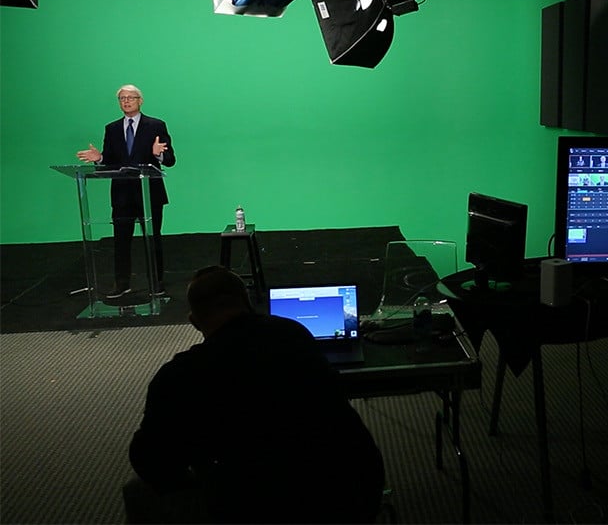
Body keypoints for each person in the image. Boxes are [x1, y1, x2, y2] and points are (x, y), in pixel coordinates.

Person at [123, 266, 385, 523]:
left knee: (136, 489)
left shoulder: (179, 375)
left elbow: (149, 461)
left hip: (259, 508)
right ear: (247, 304)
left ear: (194, 321)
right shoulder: (294, 333)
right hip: (357, 490)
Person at [76, 84, 175, 298]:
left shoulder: (156, 125)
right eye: (122, 98)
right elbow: (110, 162)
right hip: (122, 195)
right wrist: (100, 158)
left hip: (149, 193)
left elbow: (170, 160)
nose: (126, 101)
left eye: (131, 97)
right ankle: (122, 284)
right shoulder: (112, 128)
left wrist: (158, 154)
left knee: (152, 239)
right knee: (121, 241)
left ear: (140, 101)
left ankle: (156, 283)